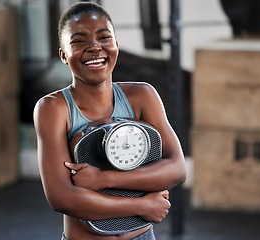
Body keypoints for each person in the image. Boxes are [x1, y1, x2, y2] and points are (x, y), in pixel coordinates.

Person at [33, 2, 186, 240]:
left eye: (104, 37)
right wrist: (142, 206)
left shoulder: (142, 96)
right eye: (78, 41)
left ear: (116, 45)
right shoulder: (53, 108)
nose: (94, 47)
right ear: (63, 55)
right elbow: (62, 197)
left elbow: (176, 168)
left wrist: (104, 179)